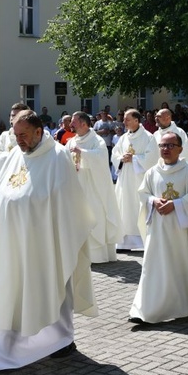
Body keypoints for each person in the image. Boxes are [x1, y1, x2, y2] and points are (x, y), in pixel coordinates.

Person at [0, 110, 97, 372]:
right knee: (9, 295)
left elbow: (68, 204)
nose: (19, 141)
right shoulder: (17, 154)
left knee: (53, 291)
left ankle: (62, 340)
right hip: (12, 241)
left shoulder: (57, 157)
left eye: (24, 135)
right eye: (16, 135)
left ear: (39, 132)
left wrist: (53, 236)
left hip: (46, 243)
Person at [129, 132, 188, 324]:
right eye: (162, 146)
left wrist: (176, 204)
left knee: (182, 266)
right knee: (155, 268)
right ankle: (148, 310)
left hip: (182, 232)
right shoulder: (152, 172)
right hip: (159, 231)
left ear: (180, 149)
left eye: (170, 146)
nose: (166, 149)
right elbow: (143, 194)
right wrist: (153, 201)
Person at [66, 111, 123, 263]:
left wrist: (82, 153)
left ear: (84, 124)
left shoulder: (97, 141)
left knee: (95, 214)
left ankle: (98, 255)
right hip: (76, 187)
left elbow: (101, 158)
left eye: (74, 122)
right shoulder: (71, 141)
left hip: (93, 186)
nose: (70, 124)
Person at [111, 109, 158, 250]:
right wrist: (121, 158)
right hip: (125, 179)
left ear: (137, 121)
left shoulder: (148, 137)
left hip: (139, 179)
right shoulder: (124, 137)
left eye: (127, 119)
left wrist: (135, 158)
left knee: (138, 207)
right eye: (124, 119)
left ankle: (142, 241)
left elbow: (152, 158)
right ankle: (123, 242)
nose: (124, 122)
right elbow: (115, 154)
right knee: (124, 207)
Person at [0, 102, 30, 191]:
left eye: (18, 115)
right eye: (12, 115)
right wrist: (11, 156)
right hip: (7, 179)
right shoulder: (5, 136)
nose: (13, 118)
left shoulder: (32, 136)